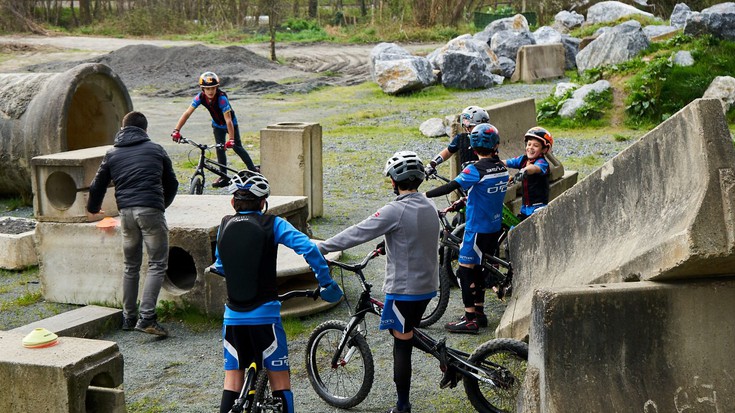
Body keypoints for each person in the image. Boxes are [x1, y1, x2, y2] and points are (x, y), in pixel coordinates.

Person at [210, 170, 343, 413]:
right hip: (265, 317)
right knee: (280, 379)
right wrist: (325, 283)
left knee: (232, 379)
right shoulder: (273, 224)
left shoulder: (224, 225)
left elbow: (220, 264)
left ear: (233, 202)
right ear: (263, 203)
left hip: (233, 318)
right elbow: (310, 250)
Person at [318, 151, 439, 413]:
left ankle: (402, 406)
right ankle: (438, 353)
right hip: (428, 285)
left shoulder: (393, 210)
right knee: (405, 330)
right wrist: (388, 243)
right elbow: (418, 233)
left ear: (395, 181)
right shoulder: (428, 204)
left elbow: (357, 233)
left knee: (401, 344)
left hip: (405, 290)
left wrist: (323, 247)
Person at [87, 111, 179, 336]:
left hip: (126, 214)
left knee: (131, 266)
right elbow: (173, 182)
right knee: (157, 264)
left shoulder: (112, 154)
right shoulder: (156, 149)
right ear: (145, 130)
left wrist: (92, 207)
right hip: (151, 211)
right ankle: (147, 317)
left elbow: (97, 185)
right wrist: (160, 205)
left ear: (122, 128)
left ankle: (129, 317)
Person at [425, 123, 509, 334]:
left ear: (473, 147)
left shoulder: (475, 170)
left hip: (476, 228)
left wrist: (424, 195)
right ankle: (480, 313)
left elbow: (452, 185)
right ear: (496, 145)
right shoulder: (500, 167)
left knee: (465, 269)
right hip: (493, 227)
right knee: (479, 268)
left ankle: (469, 317)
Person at [171, 71, 257, 186]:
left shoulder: (222, 99)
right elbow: (187, 113)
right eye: (207, 89)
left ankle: (254, 172)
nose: (210, 91)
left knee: (237, 147)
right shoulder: (200, 97)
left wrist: (231, 139)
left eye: (213, 88)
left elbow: (228, 120)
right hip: (217, 125)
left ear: (217, 87)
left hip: (231, 124)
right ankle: (224, 178)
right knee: (220, 149)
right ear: (202, 89)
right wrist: (176, 130)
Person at [423, 105, 490, 176]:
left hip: (484, 177)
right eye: (465, 124)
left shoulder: (489, 139)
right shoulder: (461, 138)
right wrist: (433, 163)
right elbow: (448, 151)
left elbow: (493, 159)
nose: (466, 127)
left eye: (469, 125)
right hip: (467, 178)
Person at [504, 126, 553, 220]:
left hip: (538, 208)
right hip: (525, 208)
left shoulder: (542, 163)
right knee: (513, 230)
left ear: (544, 150)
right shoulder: (523, 159)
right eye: (529, 144)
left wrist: (524, 171)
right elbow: (507, 162)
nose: (530, 148)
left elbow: (533, 168)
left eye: (535, 145)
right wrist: (491, 162)